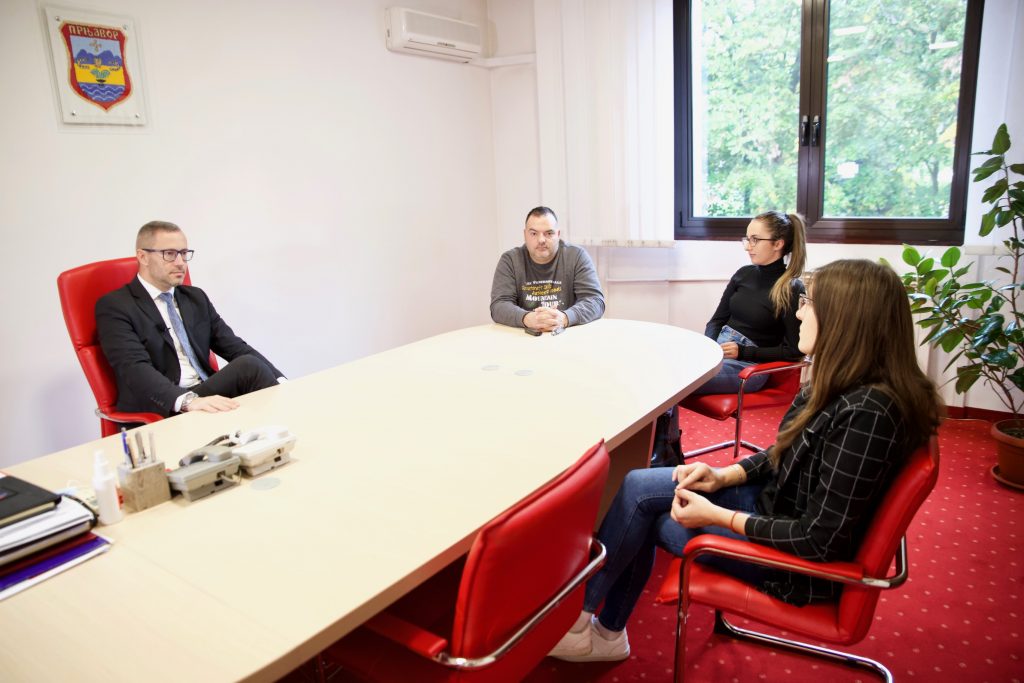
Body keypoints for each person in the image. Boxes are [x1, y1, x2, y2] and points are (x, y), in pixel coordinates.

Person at [549, 259, 941, 662]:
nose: (799, 314)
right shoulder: (840, 381)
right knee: (637, 484)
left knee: (657, 518)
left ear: (846, 319)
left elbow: (817, 541)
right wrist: (723, 476)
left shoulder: (869, 412)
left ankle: (596, 628)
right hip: (777, 503)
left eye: (808, 303)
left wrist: (718, 517)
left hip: (792, 563)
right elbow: (783, 453)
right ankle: (588, 623)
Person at [652, 211, 807, 466]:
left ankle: (663, 458)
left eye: (755, 239)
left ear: (778, 244)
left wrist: (744, 353)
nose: (748, 246)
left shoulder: (791, 287)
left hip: (749, 367)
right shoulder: (743, 274)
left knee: (670, 379)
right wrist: (709, 351)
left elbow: (794, 351)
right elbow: (716, 321)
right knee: (659, 363)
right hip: (717, 353)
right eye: (747, 239)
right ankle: (665, 452)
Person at [96, 221, 286, 416]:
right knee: (248, 367)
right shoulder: (115, 306)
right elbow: (133, 369)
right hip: (163, 404)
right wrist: (189, 401)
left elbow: (234, 346)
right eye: (170, 254)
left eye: (184, 253)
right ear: (143, 256)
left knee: (252, 371)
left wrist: (281, 382)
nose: (180, 262)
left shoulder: (195, 298)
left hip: (204, 391)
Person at [490, 206, 605, 334]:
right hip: (524, 338)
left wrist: (564, 318)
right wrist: (527, 318)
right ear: (525, 235)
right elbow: (499, 306)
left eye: (549, 233)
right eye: (534, 233)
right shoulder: (510, 260)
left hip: (567, 337)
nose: (541, 240)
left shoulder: (577, 256)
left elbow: (595, 301)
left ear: (558, 234)